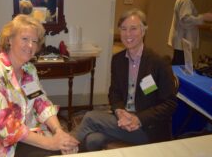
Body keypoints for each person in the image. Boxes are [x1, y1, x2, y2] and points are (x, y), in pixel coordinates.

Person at [0, 15, 79, 157]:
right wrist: (51, 143)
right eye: (25, 39)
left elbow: (42, 103)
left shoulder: (29, 69)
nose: (30, 45)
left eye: (35, 41)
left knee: (71, 147)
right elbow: (3, 124)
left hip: (29, 135)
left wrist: (58, 132)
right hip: (1, 145)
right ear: (10, 40)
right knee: (55, 151)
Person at [74, 9, 177, 151]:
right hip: (123, 120)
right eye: (123, 29)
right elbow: (114, 92)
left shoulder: (158, 62)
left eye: (133, 28)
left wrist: (139, 119)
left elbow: (169, 104)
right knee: (93, 140)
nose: (128, 34)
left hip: (147, 127)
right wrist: (119, 111)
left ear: (143, 31)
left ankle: (67, 152)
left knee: (90, 118)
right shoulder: (117, 60)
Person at [168, 0, 212, 65]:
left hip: (182, 41)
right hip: (183, 41)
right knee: (180, 69)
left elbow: (188, 18)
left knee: (180, 67)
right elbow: (185, 19)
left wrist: (203, 16)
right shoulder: (185, 0)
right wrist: (204, 17)